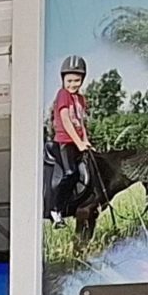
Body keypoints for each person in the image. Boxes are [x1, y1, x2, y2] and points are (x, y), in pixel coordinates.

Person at [49, 54, 94, 218]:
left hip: (78, 142)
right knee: (71, 173)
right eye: (69, 81)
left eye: (77, 80)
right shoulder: (63, 95)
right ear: (63, 80)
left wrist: (85, 141)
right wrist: (78, 142)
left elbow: (81, 122)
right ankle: (56, 209)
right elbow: (66, 120)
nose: (73, 84)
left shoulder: (81, 99)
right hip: (65, 142)